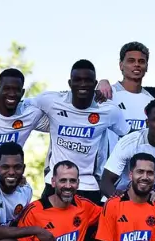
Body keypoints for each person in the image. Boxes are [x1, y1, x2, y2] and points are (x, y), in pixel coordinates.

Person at [29, 60, 129, 202]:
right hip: (55, 183)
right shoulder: (51, 101)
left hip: (89, 186)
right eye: (78, 80)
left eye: (87, 80)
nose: (82, 84)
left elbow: (128, 137)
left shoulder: (108, 110)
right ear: (70, 83)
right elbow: (19, 106)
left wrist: (115, 175)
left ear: (95, 84)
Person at [109, 41, 155, 133]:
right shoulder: (108, 94)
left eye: (141, 61)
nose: (137, 64)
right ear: (121, 65)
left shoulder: (151, 101)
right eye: (131, 61)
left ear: (146, 67)